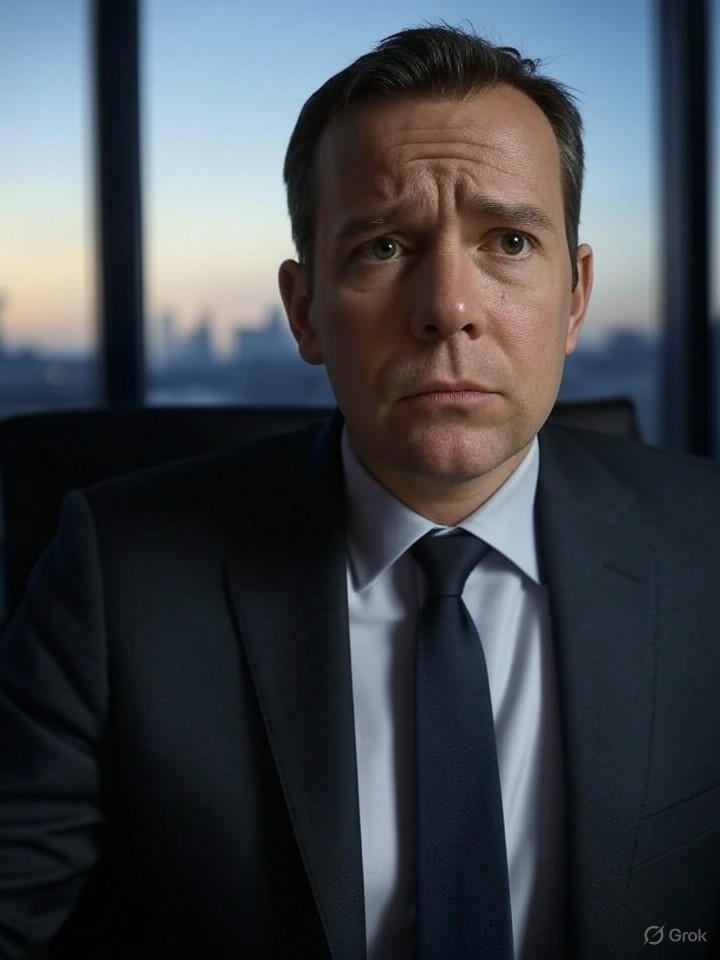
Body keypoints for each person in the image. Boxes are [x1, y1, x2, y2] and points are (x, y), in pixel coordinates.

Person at [1, 23, 719, 960]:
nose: (448, 307)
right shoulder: (118, 577)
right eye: (384, 246)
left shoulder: (708, 544)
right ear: (304, 311)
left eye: (509, 240)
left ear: (576, 296)